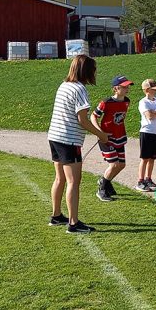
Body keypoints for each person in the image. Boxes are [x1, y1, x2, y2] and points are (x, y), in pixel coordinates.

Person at [47, 55, 109, 234]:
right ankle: (73, 224)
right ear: (86, 70)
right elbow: (82, 120)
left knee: (60, 178)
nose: (95, 72)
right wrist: (101, 134)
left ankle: (56, 215)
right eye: (94, 69)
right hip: (69, 140)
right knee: (74, 181)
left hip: (55, 136)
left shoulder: (64, 85)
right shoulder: (80, 89)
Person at [91, 75, 133, 202]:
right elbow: (93, 116)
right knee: (114, 164)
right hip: (106, 138)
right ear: (115, 88)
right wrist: (99, 132)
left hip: (120, 137)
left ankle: (105, 181)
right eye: (124, 86)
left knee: (121, 165)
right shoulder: (106, 102)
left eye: (128, 86)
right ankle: (102, 189)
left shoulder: (127, 101)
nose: (127, 89)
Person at [136, 78, 156, 192]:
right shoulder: (143, 102)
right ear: (147, 90)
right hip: (146, 132)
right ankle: (140, 180)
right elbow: (149, 116)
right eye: (153, 89)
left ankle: (148, 178)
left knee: (153, 158)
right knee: (145, 158)